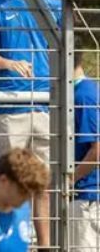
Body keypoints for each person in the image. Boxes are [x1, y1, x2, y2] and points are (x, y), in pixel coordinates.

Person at [0, 0, 60, 247]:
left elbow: (70, 53)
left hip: (47, 106)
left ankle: (44, 245)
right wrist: (8, 62)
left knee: (44, 184)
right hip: (9, 106)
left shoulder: (57, 2)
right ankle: (10, 244)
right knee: (11, 182)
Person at [73, 50, 100, 248]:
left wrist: (68, 180)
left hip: (87, 195)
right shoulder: (85, 91)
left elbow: (96, 150)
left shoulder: (84, 95)